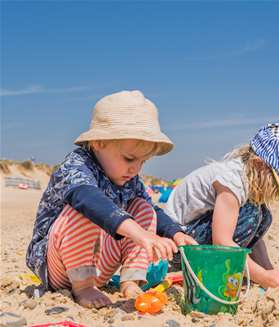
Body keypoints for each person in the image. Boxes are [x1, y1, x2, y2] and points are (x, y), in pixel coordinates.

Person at [26, 90, 196, 309]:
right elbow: (87, 199)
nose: (135, 169)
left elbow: (152, 211)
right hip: (57, 265)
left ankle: (130, 279)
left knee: (143, 207)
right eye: (129, 158)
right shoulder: (77, 165)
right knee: (86, 210)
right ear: (98, 143)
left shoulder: (129, 179)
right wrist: (140, 233)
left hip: (100, 266)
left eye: (143, 162)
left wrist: (176, 232)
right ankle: (83, 287)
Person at [164, 123, 279, 294]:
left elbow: (255, 239)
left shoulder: (246, 179)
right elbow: (222, 242)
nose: (277, 193)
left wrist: (268, 271)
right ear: (259, 165)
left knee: (263, 215)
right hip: (176, 248)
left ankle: (235, 266)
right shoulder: (232, 181)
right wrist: (263, 276)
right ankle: (216, 267)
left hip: (191, 239)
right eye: (276, 186)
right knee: (252, 214)